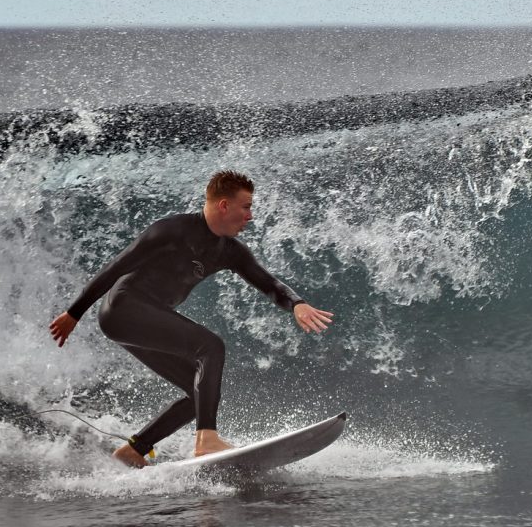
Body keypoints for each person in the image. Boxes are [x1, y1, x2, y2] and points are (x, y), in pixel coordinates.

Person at [48, 171, 333, 467]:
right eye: (246, 206)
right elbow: (115, 268)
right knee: (211, 347)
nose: (250, 215)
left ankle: (135, 450)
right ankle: (207, 440)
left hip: (143, 316)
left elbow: (269, 284)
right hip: (124, 308)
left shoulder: (230, 251)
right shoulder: (171, 231)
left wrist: (297, 304)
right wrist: (74, 313)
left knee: (199, 392)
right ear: (224, 205)